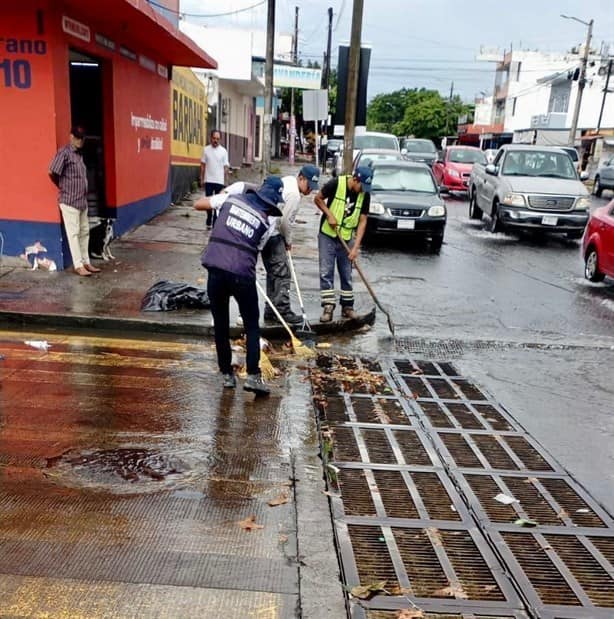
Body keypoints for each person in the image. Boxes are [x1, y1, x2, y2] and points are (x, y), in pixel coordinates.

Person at [197, 176, 285, 396]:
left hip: (215, 268)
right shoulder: (268, 220)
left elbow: (198, 203)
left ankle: (227, 375)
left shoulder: (230, 199)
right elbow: (258, 247)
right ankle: (253, 376)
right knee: (252, 325)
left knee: (221, 324)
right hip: (241, 274)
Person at [262, 164, 320, 325]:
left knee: (272, 273)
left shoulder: (287, 181)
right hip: (274, 235)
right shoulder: (294, 195)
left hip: (265, 232)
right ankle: (282, 309)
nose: (310, 190)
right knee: (282, 273)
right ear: (301, 178)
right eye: (309, 185)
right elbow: (285, 223)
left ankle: (271, 310)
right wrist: (288, 241)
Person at [313, 166, 371, 323]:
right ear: (355, 179)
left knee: (346, 273)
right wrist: (329, 214)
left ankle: (347, 307)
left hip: (346, 237)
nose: (363, 190)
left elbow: (362, 221)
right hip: (328, 234)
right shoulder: (336, 183)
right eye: (362, 186)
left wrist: (355, 247)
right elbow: (318, 198)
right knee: (326, 271)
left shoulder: (365, 194)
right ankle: (328, 307)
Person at [48, 125, 101, 277]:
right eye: (77, 138)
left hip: (82, 201)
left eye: (82, 138)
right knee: (74, 233)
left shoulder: (79, 155)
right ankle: (78, 265)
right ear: (71, 136)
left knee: (85, 232)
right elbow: (51, 171)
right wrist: (62, 185)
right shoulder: (64, 153)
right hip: (69, 200)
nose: (80, 141)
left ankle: (86, 261)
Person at [200, 129, 229, 230]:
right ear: (210, 138)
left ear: (220, 139)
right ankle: (209, 218)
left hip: (219, 181)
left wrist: (226, 181)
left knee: (218, 203)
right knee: (209, 202)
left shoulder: (223, 151)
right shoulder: (206, 150)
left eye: (217, 139)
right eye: (214, 138)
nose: (215, 140)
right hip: (209, 180)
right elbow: (203, 165)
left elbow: (226, 167)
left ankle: (215, 221)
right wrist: (201, 178)